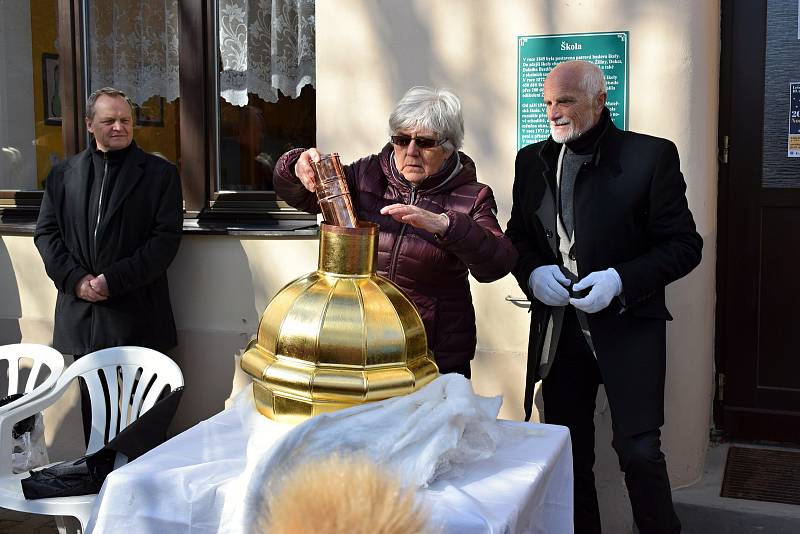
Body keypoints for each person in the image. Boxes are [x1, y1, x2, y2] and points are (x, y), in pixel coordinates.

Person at [506, 61, 702, 534]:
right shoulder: (530, 160)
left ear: (599, 100)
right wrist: (532, 274)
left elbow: (684, 246)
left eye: (566, 101)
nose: (554, 112)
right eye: (548, 102)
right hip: (560, 331)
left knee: (639, 452)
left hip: (628, 325)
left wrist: (621, 279)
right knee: (569, 452)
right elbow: (518, 238)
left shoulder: (650, 156)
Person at [274, 86, 517, 377]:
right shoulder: (365, 175)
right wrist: (295, 166)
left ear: (450, 146)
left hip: (432, 353)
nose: (411, 151)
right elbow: (302, 196)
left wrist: (447, 225)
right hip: (364, 344)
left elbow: (498, 263)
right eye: (402, 140)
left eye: (425, 142)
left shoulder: (472, 196)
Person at [35, 87, 183, 438]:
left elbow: (163, 243)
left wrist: (111, 281)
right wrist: (76, 280)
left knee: (144, 423)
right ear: (89, 124)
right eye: (109, 120)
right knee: (96, 422)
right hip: (84, 317)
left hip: (137, 315)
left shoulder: (160, 175)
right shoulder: (63, 175)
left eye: (125, 120)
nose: (119, 127)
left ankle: (139, 488)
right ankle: (100, 483)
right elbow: (46, 235)